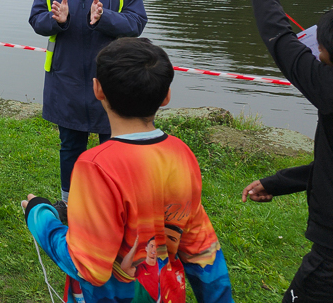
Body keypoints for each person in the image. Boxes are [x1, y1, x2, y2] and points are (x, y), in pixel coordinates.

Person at [22, 38, 233, 303]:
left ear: (97, 89)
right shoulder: (182, 154)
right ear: (166, 95)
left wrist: (40, 216)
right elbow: (202, 249)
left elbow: (88, 266)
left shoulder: (95, 167)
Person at [29, 0, 147, 214]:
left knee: (113, 148)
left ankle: (114, 207)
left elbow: (136, 22)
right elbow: (37, 20)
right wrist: (59, 21)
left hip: (112, 77)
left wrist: (105, 17)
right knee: (71, 146)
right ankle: (70, 206)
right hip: (66, 77)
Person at [236, 0, 333, 302]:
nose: (316, 53)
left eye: (320, 48)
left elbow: (277, 33)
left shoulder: (326, 85)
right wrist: (280, 182)